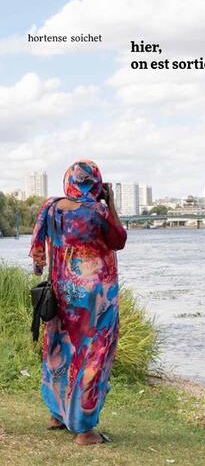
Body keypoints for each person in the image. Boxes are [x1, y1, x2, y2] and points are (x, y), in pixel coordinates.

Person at [29, 160, 127, 445]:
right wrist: (110, 204)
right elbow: (119, 239)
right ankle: (84, 429)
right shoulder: (98, 211)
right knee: (93, 354)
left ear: (68, 180)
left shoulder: (50, 206)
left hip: (62, 293)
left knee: (59, 349)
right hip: (97, 299)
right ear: (96, 183)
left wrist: (43, 267)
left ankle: (57, 414)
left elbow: (37, 251)